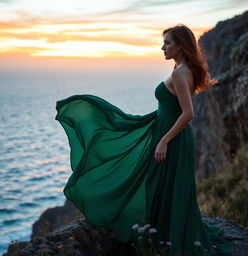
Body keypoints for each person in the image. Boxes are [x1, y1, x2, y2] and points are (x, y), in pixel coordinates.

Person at [55, 24, 232, 256]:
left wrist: (164, 141)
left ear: (180, 45)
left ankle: (168, 241)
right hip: (169, 134)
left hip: (173, 139)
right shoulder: (182, 69)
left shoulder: (180, 73)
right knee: (163, 187)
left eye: (167, 43)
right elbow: (171, 108)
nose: (163, 47)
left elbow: (188, 114)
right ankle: (165, 237)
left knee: (165, 187)